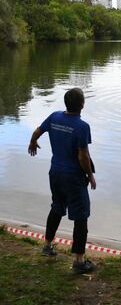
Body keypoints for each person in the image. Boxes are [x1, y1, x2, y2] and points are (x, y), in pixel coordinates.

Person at [28, 87, 97, 273]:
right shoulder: (82, 127)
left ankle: (48, 245)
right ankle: (79, 262)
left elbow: (37, 131)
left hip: (55, 172)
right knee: (81, 216)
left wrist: (33, 142)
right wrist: (90, 176)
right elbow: (83, 156)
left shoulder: (54, 117)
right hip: (73, 177)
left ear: (66, 103)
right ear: (82, 105)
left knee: (57, 207)